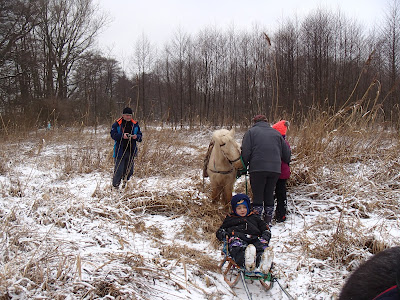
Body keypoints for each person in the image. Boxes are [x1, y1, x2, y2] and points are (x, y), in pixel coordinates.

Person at [241, 115, 291, 225]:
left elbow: (245, 152)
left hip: (257, 168)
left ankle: (257, 221)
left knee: (258, 194)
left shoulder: (251, 132)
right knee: (269, 193)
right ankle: (267, 221)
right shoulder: (277, 134)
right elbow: (287, 155)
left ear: (254, 122)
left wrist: (243, 167)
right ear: (266, 122)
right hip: (275, 170)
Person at [216, 194, 273, 273]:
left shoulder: (254, 217)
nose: (242, 210)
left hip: (254, 239)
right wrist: (223, 234)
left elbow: (265, 228)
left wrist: (266, 235)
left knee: (261, 247)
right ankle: (246, 261)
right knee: (237, 248)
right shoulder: (231, 219)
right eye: (239, 208)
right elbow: (220, 230)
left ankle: (264, 262)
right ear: (234, 209)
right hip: (238, 238)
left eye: (245, 207)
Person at [110, 107, 142, 189]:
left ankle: (125, 184)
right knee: (119, 170)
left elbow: (140, 136)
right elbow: (113, 135)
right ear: (123, 115)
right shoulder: (117, 124)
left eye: (130, 115)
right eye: (127, 115)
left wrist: (136, 137)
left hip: (131, 150)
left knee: (129, 171)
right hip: (120, 151)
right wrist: (122, 136)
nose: (128, 117)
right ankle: (115, 186)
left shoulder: (135, 124)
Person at [272, 120, 291, 223]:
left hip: (273, 172)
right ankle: (281, 214)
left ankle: (269, 214)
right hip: (283, 173)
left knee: (270, 192)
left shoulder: (271, 143)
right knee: (281, 193)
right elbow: (287, 158)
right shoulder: (284, 143)